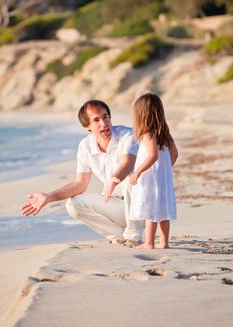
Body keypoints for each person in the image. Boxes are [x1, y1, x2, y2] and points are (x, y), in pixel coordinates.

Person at [21, 100, 144, 245]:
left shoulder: (128, 135)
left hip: (142, 207)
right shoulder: (85, 146)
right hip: (117, 206)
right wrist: (49, 196)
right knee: (74, 204)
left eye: (105, 117)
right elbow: (80, 184)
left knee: (131, 177)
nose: (104, 123)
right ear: (87, 126)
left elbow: (127, 163)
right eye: (96, 120)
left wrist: (114, 179)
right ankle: (119, 237)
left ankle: (133, 236)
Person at [129, 93, 178, 249]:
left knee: (150, 208)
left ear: (141, 115)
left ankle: (149, 242)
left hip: (150, 177)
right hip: (162, 178)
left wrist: (138, 172)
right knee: (163, 209)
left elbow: (153, 154)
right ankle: (164, 242)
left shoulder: (147, 133)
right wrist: (165, 171)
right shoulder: (165, 133)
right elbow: (175, 153)